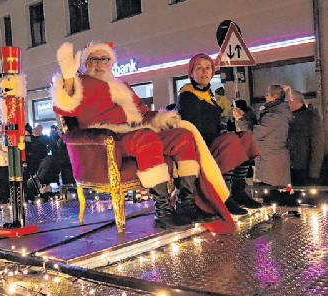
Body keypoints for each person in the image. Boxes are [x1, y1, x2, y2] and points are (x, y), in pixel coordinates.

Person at [51, 42, 234, 233]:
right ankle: (163, 212)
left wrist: (165, 119)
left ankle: (186, 204)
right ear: (86, 63)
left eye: (104, 59)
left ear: (110, 63)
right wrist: (68, 77)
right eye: (94, 59)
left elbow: (144, 113)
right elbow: (65, 106)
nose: (99, 64)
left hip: (136, 132)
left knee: (183, 136)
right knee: (146, 137)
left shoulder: (122, 86)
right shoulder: (80, 83)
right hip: (110, 140)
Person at [175, 53, 261, 215]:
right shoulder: (187, 95)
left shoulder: (210, 96)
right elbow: (193, 128)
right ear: (191, 73)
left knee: (245, 138)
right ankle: (224, 194)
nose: (204, 72)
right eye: (199, 68)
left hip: (214, 142)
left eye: (208, 68)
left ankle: (238, 190)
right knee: (230, 140)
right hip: (200, 148)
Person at [253, 84, 293, 186]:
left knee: (274, 194)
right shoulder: (277, 111)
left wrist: (241, 119)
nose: (265, 96)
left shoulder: (274, 116)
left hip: (271, 163)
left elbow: (255, 134)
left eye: (267, 94)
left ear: (274, 96)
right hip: (270, 160)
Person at [287, 90, 325, 185]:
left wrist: (314, 173)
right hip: (287, 167)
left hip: (303, 167)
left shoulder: (311, 116)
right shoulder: (286, 117)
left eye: (289, 101)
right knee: (288, 193)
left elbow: (318, 145)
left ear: (298, 101)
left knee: (302, 195)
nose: (287, 104)